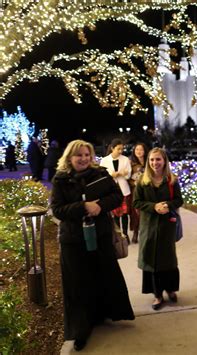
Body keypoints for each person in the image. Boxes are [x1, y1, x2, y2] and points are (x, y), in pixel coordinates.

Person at [50, 139, 134, 351]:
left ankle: (103, 313)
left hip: (100, 235)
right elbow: (57, 210)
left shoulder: (100, 173)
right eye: (79, 155)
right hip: (73, 240)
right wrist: (82, 207)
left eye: (87, 155)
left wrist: (100, 206)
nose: (84, 159)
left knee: (102, 274)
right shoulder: (61, 179)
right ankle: (81, 329)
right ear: (70, 157)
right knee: (78, 283)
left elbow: (116, 196)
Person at [133, 147, 183, 310]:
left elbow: (178, 200)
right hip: (149, 226)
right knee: (151, 260)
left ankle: (170, 289)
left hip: (167, 225)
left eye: (158, 159)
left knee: (168, 259)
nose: (155, 163)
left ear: (164, 161)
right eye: (152, 160)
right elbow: (136, 202)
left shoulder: (171, 180)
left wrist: (167, 205)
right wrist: (153, 207)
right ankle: (157, 294)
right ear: (148, 162)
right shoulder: (142, 180)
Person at [100, 138, 132, 241]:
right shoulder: (104, 160)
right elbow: (102, 175)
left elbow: (128, 173)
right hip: (111, 190)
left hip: (123, 189)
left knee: (125, 213)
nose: (120, 151)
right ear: (112, 148)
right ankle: (119, 234)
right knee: (116, 214)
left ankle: (126, 234)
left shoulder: (125, 159)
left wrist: (123, 174)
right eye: (118, 149)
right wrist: (112, 175)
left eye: (122, 149)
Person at [128, 142, 148, 243]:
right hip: (136, 191)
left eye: (141, 149)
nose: (139, 152)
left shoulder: (149, 162)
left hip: (148, 191)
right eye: (137, 150)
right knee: (135, 213)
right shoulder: (131, 163)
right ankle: (135, 233)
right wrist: (134, 183)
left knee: (147, 211)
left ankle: (146, 233)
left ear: (145, 151)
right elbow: (128, 179)